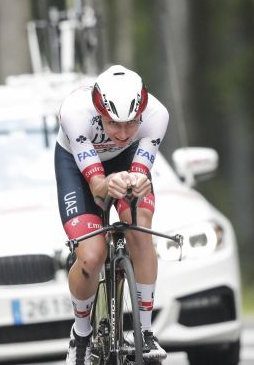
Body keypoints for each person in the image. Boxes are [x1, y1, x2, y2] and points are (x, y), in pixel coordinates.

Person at [55, 64, 169, 364]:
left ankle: (144, 332)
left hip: (126, 161)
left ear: (141, 113)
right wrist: (108, 184)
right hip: (78, 169)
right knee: (91, 255)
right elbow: (96, 188)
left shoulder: (157, 116)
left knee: (140, 226)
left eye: (131, 124)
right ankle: (81, 333)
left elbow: (140, 172)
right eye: (111, 123)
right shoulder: (74, 112)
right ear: (98, 111)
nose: (121, 133)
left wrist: (137, 181)